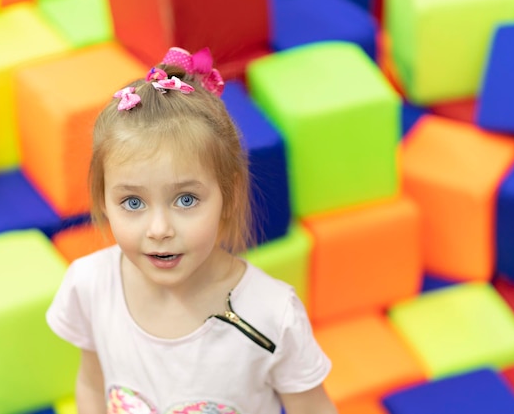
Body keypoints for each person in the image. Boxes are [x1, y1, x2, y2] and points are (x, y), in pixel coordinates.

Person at [46, 46, 338, 414]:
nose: (159, 229)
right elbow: (91, 384)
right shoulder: (89, 285)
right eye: (133, 202)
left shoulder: (273, 315)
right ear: (103, 202)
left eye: (185, 200)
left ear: (228, 196)